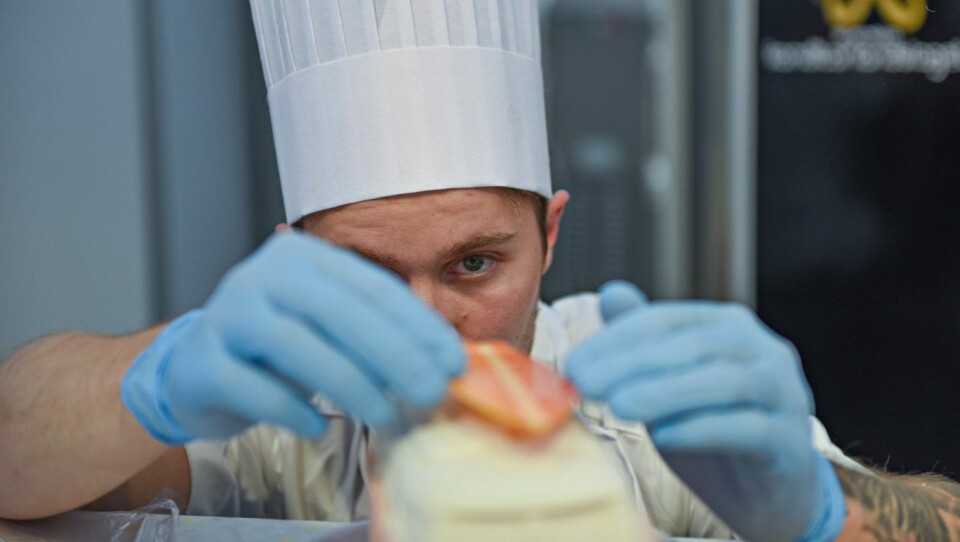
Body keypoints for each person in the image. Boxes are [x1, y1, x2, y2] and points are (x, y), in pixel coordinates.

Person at [1, 1, 958, 540]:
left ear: (550, 238)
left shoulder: (640, 405)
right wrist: (156, 377)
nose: (428, 326)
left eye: (474, 264)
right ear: (294, 259)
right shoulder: (276, 416)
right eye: (370, 273)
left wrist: (823, 511)